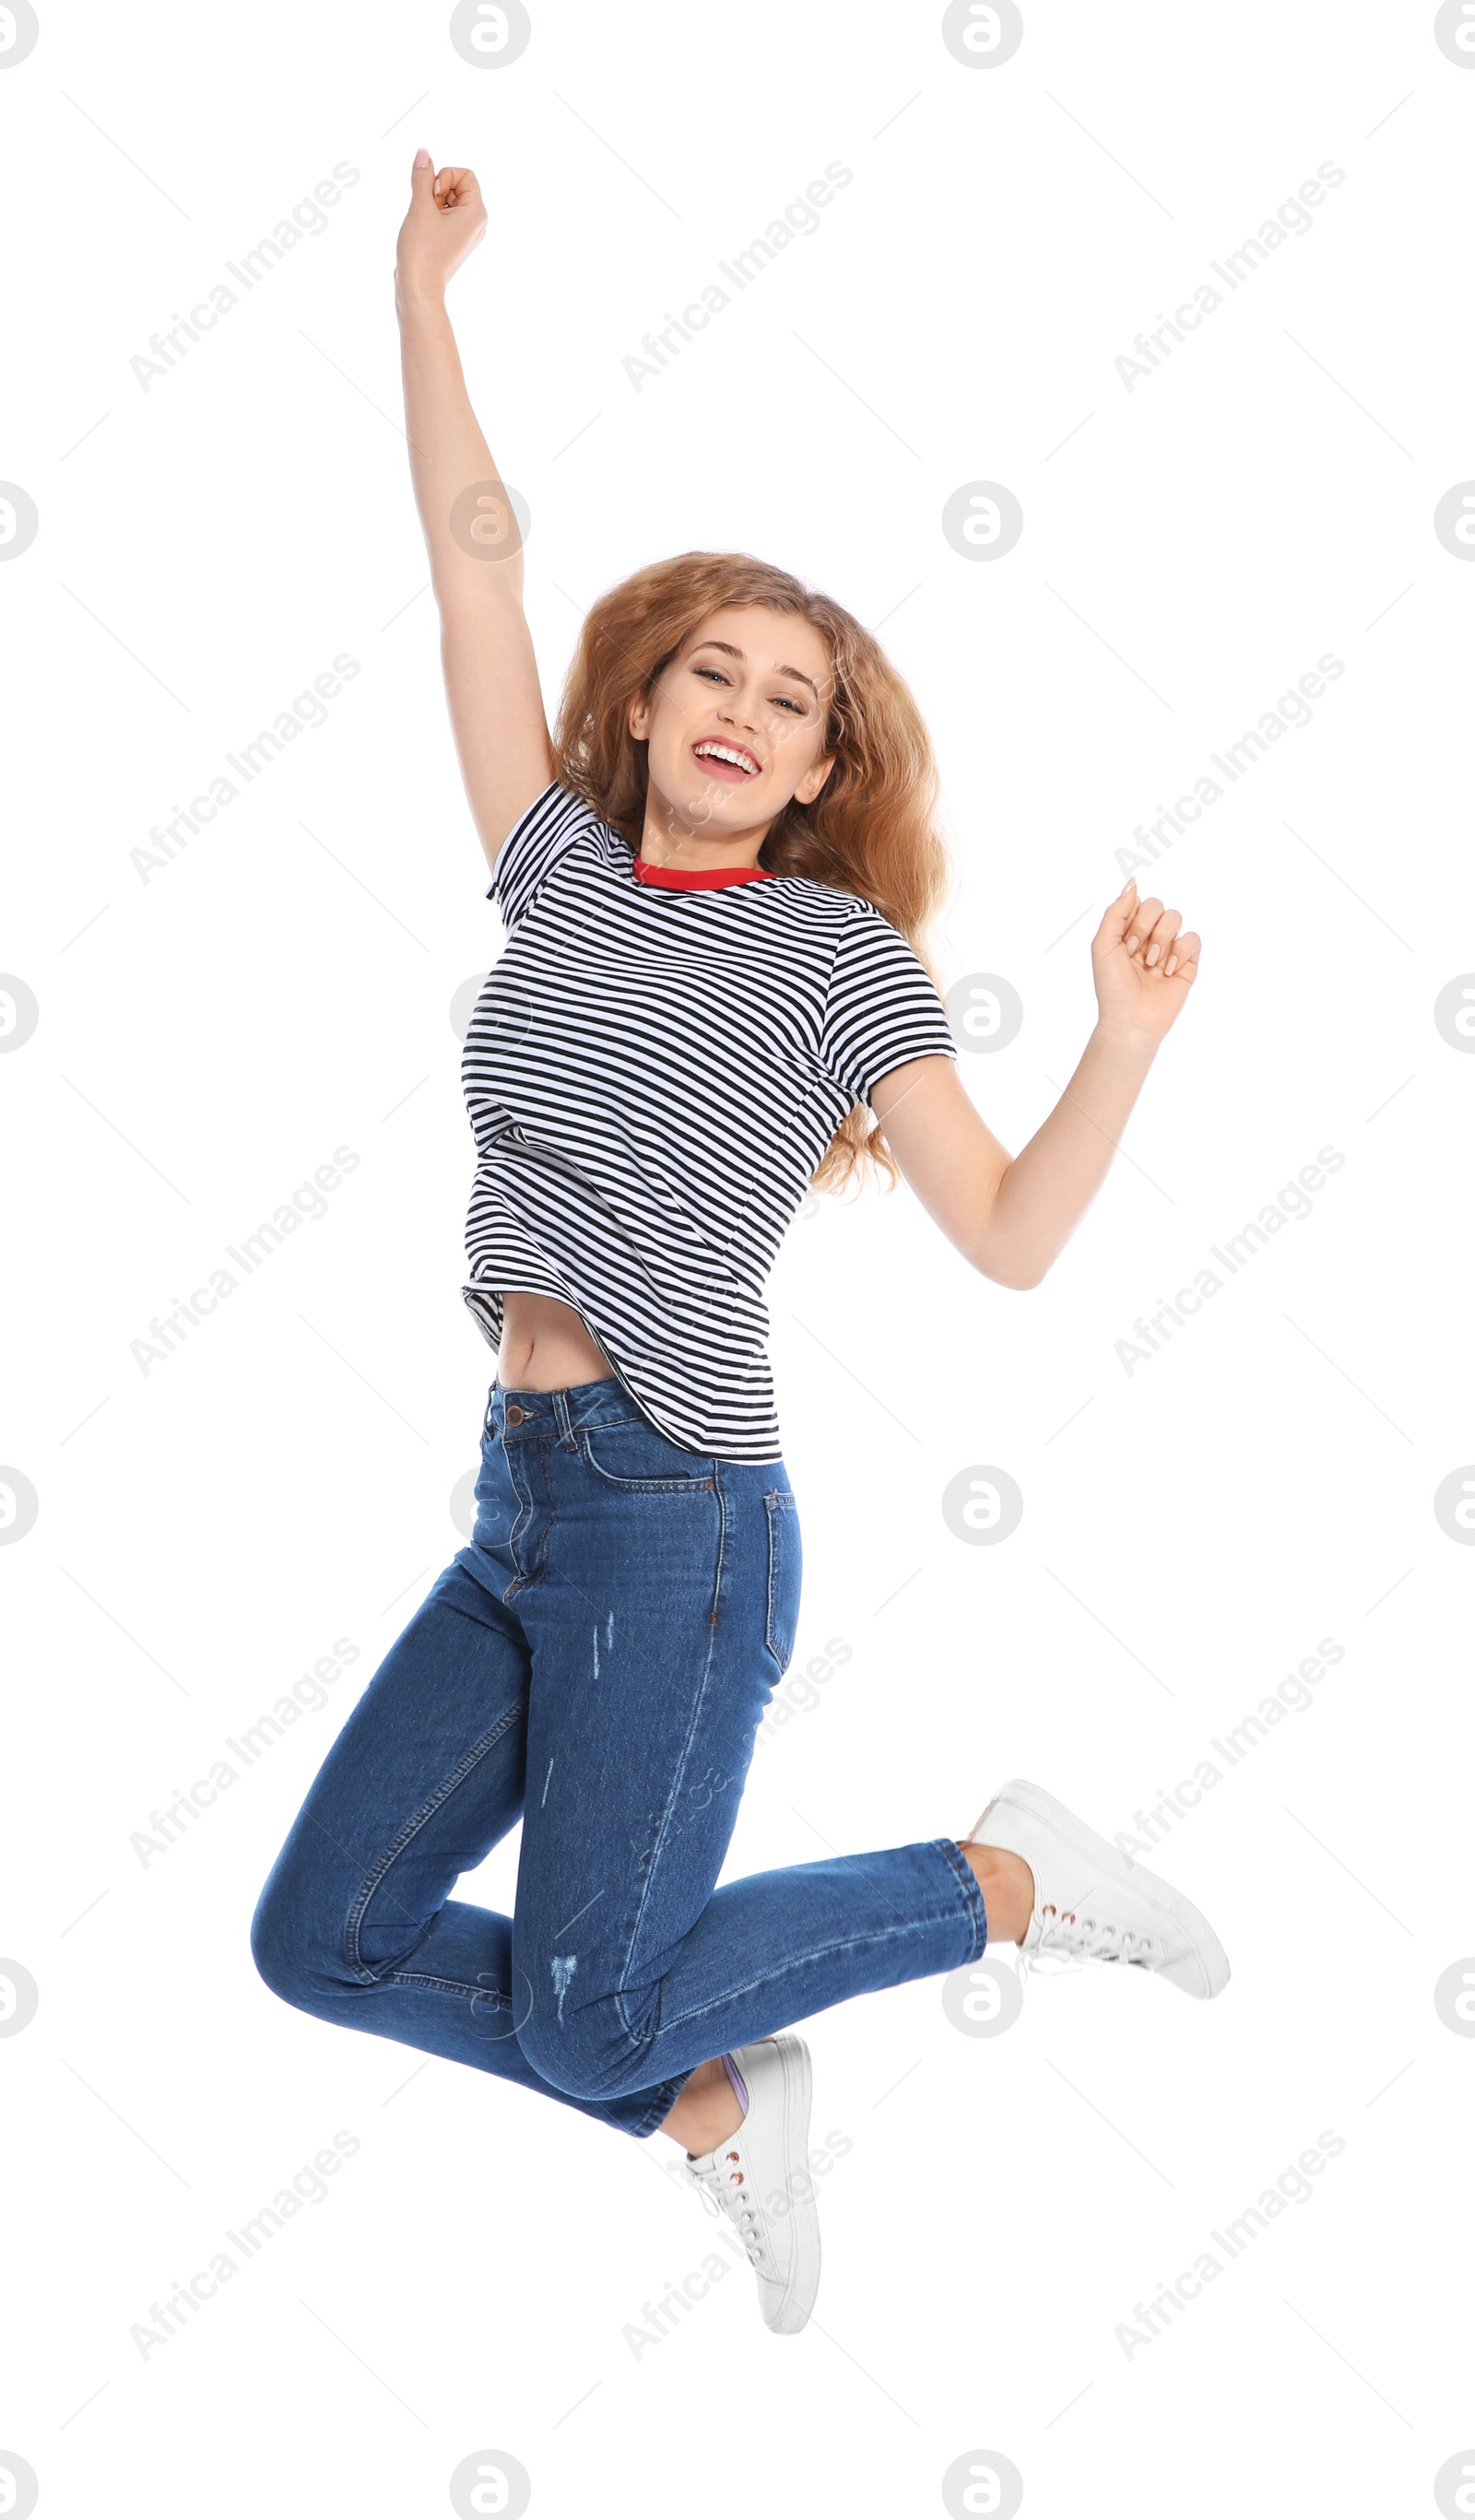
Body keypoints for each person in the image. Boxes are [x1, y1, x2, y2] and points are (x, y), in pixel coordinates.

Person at [250, 151, 1228, 2339]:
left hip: (676, 1517)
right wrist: (425, 301)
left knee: (587, 2006)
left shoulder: (835, 959)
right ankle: (709, 2101)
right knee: (320, 1934)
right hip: (520, 1502)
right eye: (712, 665)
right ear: (641, 705)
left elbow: (1002, 1234)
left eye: (789, 698)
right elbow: (471, 571)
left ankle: (996, 1878)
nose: (740, 706)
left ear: (810, 772)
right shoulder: (561, 863)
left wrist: (1121, 1043)